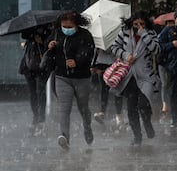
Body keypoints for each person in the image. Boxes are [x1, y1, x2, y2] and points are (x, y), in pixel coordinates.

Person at [110, 11, 160, 146]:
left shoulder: (150, 33)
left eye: (141, 23)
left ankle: (147, 123)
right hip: (128, 76)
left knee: (144, 104)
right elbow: (114, 47)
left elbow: (156, 49)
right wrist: (125, 55)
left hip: (146, 76)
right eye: (136, 23)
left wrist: (144, 34)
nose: (138, 26)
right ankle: (137, 136)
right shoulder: (125, 32)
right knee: (131, 108)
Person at [46, 11, 95, 149]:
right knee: (64, 109)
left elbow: (89, 53)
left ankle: (87, 127)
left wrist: (78, 62)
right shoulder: (56, 33)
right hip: (62, 77)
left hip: (82, 78)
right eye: (64, 26)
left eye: (70, 26)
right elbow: (47, 47)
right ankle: (65, 137)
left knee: (83, 107)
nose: (66, 29)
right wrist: (50, 45)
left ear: (76, 24)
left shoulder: (85, 35)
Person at [19, 26, 51, 136]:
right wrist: (33, 35)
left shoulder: (48, 29)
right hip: (29, 65)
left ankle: (41, 119)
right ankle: (36, 117)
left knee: (40, 91)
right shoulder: (29, 29)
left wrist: (42, 40)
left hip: (42, 66)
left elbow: (51, 43)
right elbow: (24, 35)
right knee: (33, 93)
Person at [91, 48, 125, 126]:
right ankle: (104, 112)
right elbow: (95, 50)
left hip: (113, 65)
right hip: (103, 65)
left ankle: (118, 115)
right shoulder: (99, 41)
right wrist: (93, 65)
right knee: (105, 90)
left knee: (115, 90)